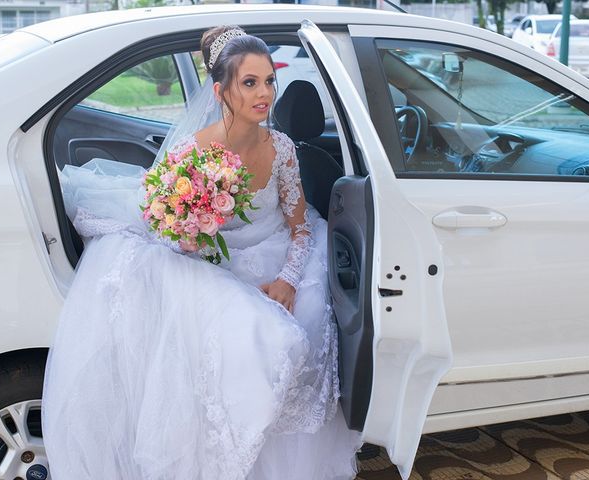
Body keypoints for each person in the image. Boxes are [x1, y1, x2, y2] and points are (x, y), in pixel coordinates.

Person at [42, 25, 362, 479]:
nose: (264, 93)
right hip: (215, 265)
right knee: (262, 337)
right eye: (249, 82)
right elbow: (169, 232)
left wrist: (289, 280)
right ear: (220, 90)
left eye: (269, 80)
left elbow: (300, 228)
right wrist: (187, 233)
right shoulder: (191, 155)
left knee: (307, 315)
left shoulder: (284, 150)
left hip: (274, 253)